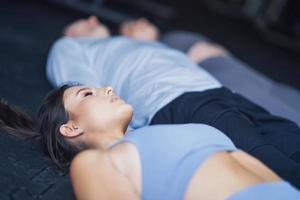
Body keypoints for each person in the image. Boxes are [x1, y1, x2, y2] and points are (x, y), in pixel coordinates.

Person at [46, 16, 300, 187]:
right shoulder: (71, 45)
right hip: (177, 102)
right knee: (273, 163)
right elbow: (83, 97)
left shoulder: (129, 44)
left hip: (218, 91)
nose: (93, 19)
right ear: (70, 32)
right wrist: (133, 143)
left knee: (290, 138)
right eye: (81, 21)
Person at [3, 83, 300, 199]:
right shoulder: (94, 162)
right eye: (87, 94)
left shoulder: (168, 130)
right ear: (70, 128)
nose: (107, 88)